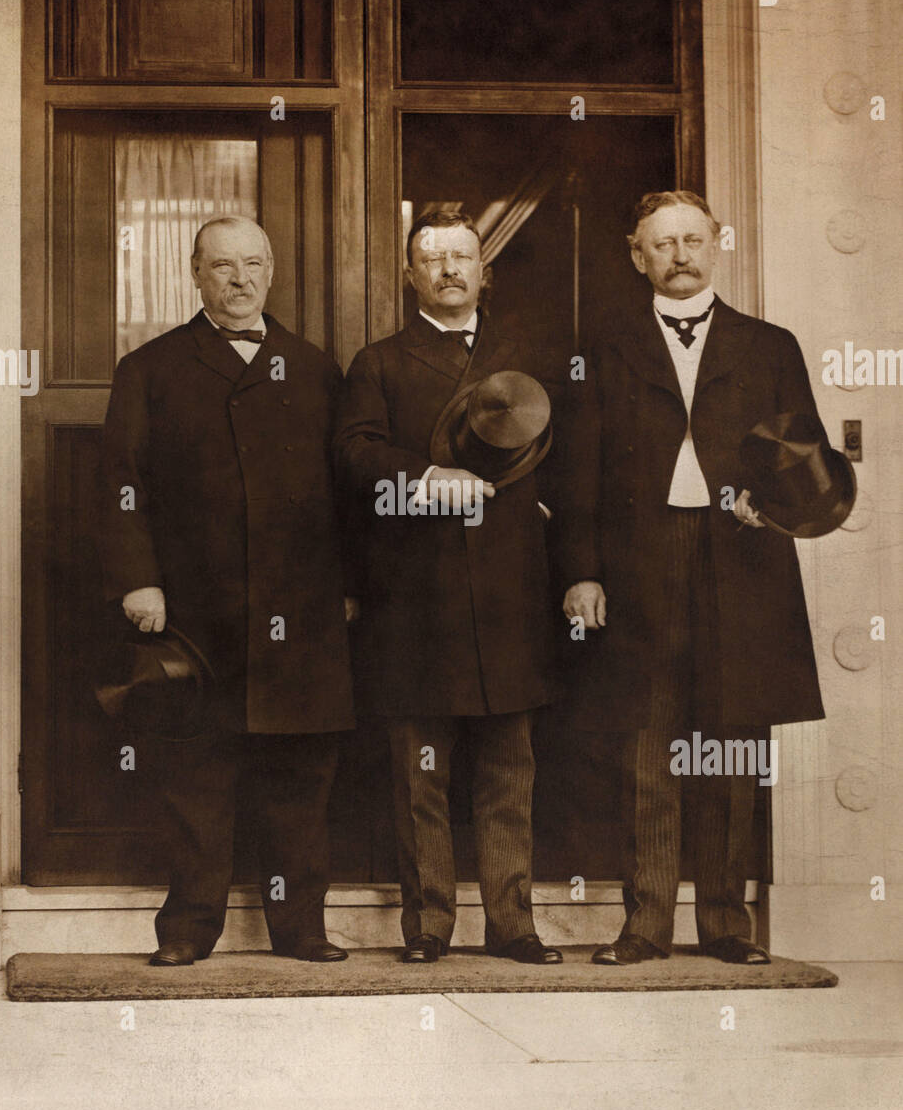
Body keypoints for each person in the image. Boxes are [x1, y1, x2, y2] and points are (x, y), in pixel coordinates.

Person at [558, 190, 827, 966]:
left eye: (693, 240)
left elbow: (802, 455)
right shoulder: (601, 347)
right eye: (662, 243)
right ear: (637, 255)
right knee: (647, 742)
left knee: (731, 743)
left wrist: (768, 508)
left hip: (741, 564)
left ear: (718, 246)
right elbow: (577, 472)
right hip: (640, 564)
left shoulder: (771, 345)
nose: (680, 255)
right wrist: (582, 572)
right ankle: (645, 924)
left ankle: (724, 924)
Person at [99, 215, 355, 966]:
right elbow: (121, 485)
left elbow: (345, 495)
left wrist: (348, 589)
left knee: (299, 777)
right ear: (195, 274)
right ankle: (187, 931)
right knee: (196, 777)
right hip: (194, 612)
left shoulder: (313, 369)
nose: (238, 280)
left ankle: (300, 928)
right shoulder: (150, 368)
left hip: (301, 612)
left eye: (251, 265)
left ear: (271, 272)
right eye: (221, 266)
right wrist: (138, 580)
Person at [333, 210, 562, 965]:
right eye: (432, 260)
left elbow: (573, 453)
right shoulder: (380, 362)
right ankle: (429, 927)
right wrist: (429, 478)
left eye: (462, 258)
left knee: (508, 769)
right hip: (417, 596)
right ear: (411, 275)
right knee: (420, 773)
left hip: (510, 592)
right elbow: (355, 456)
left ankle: (513, 926)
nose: (450, 272)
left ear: (482, 269)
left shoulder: (528, 356)